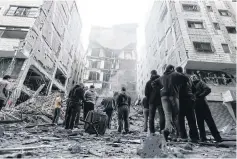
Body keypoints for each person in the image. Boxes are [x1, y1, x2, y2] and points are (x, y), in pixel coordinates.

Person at [153, 65, 189, 141]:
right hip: (173, 95)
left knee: (168, 115)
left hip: (163, 97)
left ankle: (167, 131)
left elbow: (153, 83)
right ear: (172, 69)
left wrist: (161, 89)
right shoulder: (175, 74)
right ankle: (178, 134)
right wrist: (178, 83)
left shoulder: (162, 77)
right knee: (176, 115)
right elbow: (186, 79)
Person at [191, 74, 222, 142]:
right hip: (199, 104)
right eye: (192, 77)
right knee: (203, 122)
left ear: (196, 77)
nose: (193, 78)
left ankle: (213, 138)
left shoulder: (199, 83)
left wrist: (199, 96)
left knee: (206, 122)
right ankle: (208, 138)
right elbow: (207, 89)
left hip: (200, 104)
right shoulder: (195, 84)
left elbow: (208, 89)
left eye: (194, 77)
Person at [175, 67, 199, 142]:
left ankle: (183, 136)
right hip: (189, 100)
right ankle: (194, 137)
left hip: (181, 100)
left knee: (180, 119)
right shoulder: (188, 78)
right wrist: (193, 97)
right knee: (191, 119)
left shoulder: (177, 78)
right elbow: (194, 89)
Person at [145, 70, 164, 134]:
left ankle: (152, 131)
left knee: (151, 117)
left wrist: (148, 101)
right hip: (160, 100)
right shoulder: (160, 81)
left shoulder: (148, 83)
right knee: (162, 116)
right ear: (156, 73)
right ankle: (162, 130)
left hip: (152, 101)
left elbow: (146, 94)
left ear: (151, 74)